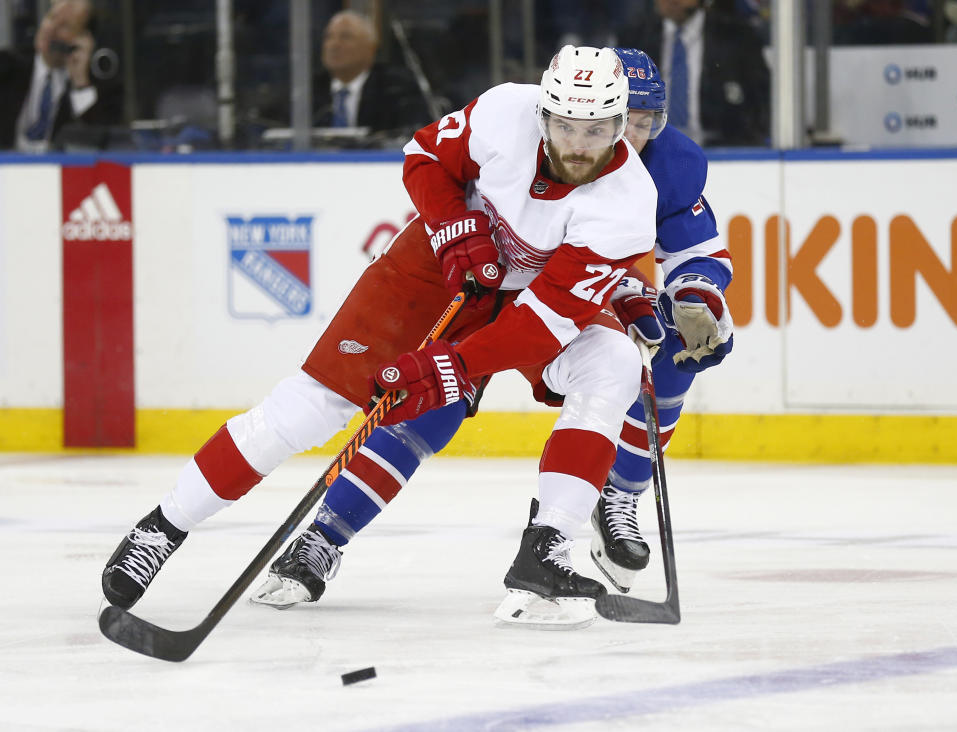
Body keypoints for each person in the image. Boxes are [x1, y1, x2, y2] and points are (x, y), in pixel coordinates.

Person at [102, 45, 662, 627]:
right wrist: (452, 226)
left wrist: (453, 367)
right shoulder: (504, 112)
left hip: (528, 300)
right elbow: (423, 156)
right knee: (308, 411)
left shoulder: (628, 202)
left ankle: (546, 548)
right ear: (543, 114)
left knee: (614, 361)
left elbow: (539, 324)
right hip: (432, 270)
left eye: (596, 129)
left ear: (621, 126)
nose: (577, 144)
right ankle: (163, 527)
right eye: (566, 125)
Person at [245, 48, 733, 624]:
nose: (635, 134)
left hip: (571, 298)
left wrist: (695, 292)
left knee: (663, 355)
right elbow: (437, 165)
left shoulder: (669, 165)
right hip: (490, 284)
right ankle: (325, 536)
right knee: (432, 407)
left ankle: (614, 497)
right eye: (629, 118)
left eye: (647, 121)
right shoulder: (534, 128)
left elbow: (696, 249)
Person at [621, 0, 770, 147]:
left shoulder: (738, 38)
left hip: (721, 150)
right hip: (649, 146)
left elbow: (759, 104)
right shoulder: (635, 38)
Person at [0, 0, 122, 152]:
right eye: (51, 17)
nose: (50, 29)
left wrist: (80, 83)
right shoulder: (7, 66)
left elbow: (100, 144)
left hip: (64, 171)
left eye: (65, 26)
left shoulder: (103, 88)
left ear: (83, 40)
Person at [311, 10, 432, 135]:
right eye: (328, 37)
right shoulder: (309, 91)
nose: (334, 44)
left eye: (345, 36)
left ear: (371, 47)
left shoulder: (396, 89)